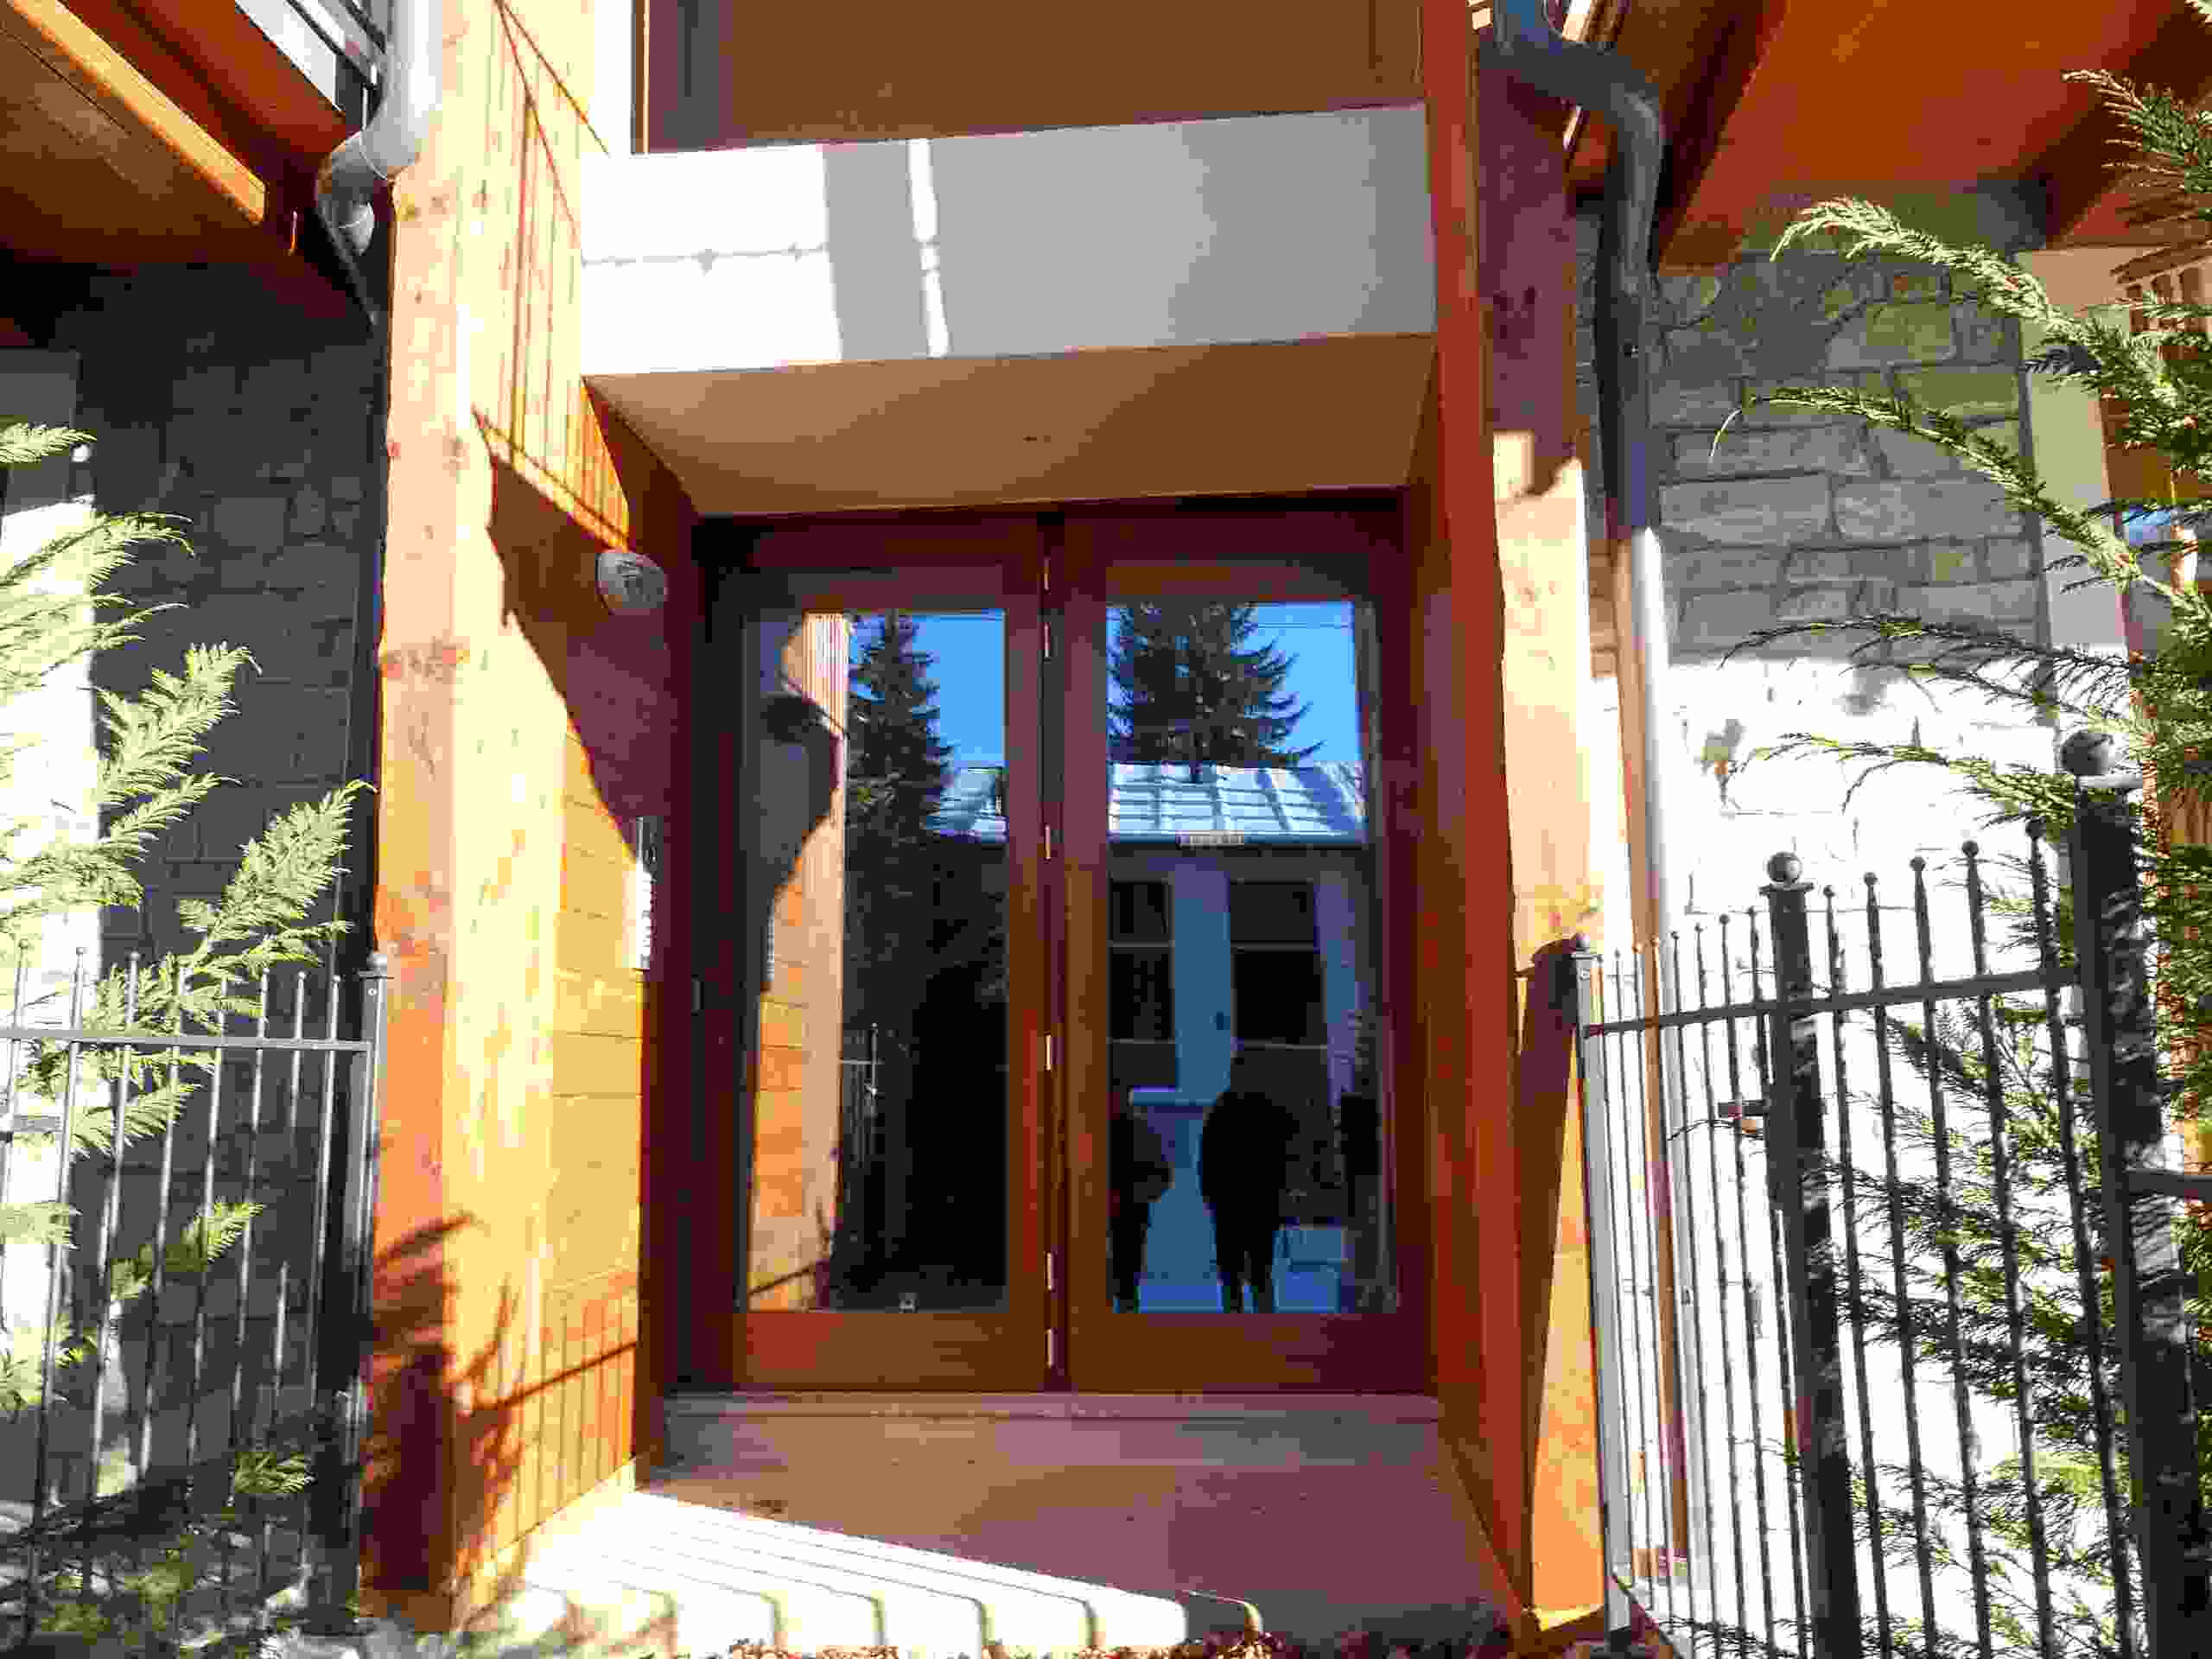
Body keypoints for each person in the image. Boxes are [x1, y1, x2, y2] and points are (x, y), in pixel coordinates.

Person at [1198, 1054, 1300, 1313]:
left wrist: (1210, 1195)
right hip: (1250, 1202)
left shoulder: (1225, 1108)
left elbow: (1208, 1158)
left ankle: (1247, 1318)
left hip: (1244, 1203)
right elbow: (1287, 1151)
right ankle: (1255, 1319)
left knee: (1246, 1272)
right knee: (1251, 1272)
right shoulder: (1262, 1108)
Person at [1108, 1086, 1173, 1312]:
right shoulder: (1139, 1130)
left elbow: (1161, 1174)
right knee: (1124, 1284)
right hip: (1128, 1215)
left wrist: (1132, 1195)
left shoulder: (1139, 1131)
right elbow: (1161, 1174)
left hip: (1129, 1217)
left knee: (1126, 1283)